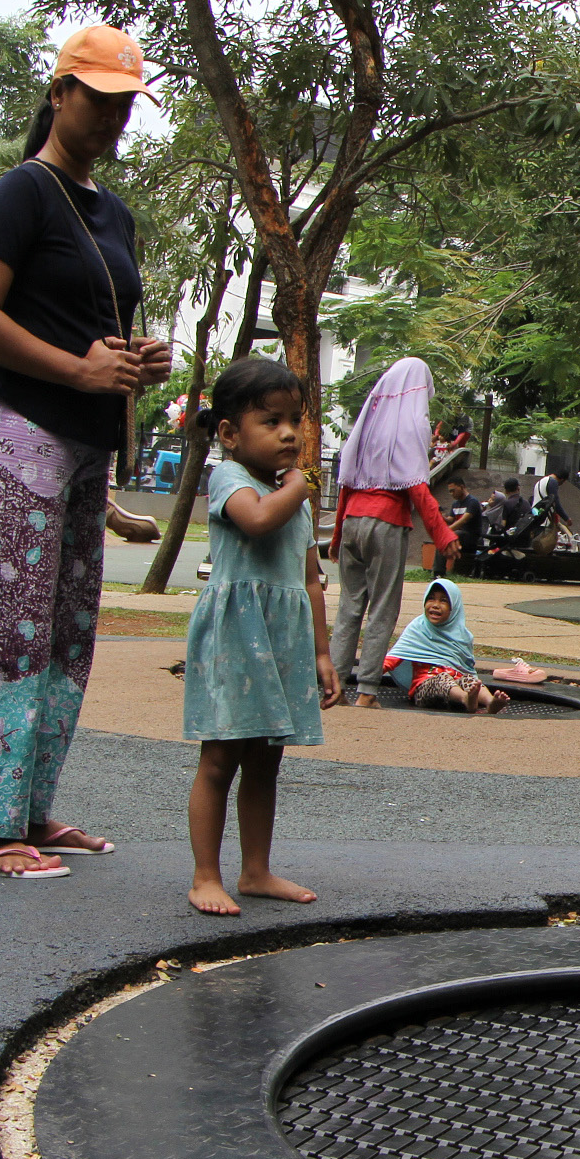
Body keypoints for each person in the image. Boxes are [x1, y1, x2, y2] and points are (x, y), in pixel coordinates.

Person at [0, 24, 174, 880]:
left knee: (64, 633)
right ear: (60, 93)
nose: (110, 117)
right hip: (11, 435)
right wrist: (77, 368)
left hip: (81, 445)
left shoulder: (115, 212)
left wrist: (134, 362)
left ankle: (25, 807)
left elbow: (94, 328)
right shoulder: (20, 192)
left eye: (123, 105)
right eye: (97, 99)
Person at [181, 356, 341, 915]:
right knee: (220, 757)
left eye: (295, 420)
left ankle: (255, 871)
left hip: (282, 641)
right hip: (236, 637)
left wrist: (323, 652)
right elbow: (255, 519)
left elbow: (310, 579)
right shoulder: (231, 479)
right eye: (271, 421)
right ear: (229, 433)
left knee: (266, 760)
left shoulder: (291, 496)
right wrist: (300, 487)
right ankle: (205, 876)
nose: (289, 433)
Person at [329, 358, 459, 709]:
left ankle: (335, 686)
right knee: (382, 608)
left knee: (349, 607)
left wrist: (338, 535)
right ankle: (367, 691)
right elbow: (418, 489)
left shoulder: (367, 426)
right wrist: (443, 535)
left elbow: (345, 484)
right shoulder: (409, 428)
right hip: (386, 523)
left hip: (353, 520)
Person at [384, 577, 509, 714]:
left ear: (453, 608)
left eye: (443, 601)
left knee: (470, 680)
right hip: (424, 688)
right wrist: (371, 676)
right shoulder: (417, 628)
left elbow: (467, 668)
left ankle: (490, 702)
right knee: (442, 678)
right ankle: (465, 698)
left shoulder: (462, 635)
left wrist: (470, 683)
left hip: (455, 685)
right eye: (431, 599)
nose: (435, 605)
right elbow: (394, 658)